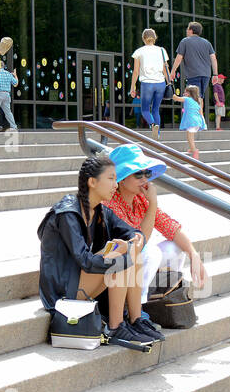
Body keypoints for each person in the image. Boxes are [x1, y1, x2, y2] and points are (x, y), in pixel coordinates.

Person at [36, 154, 156, 348]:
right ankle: (116, 327)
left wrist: (136, 238)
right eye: (110, 179)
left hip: (82, 282)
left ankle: (136, 320)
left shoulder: (100, 210)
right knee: (120, 255)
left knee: (130, 250)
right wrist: (124, 258)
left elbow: (128, 230)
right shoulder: (68, 213)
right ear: (92, 182)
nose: (115, 185)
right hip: (62, 292)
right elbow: (85, 261)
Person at [103, 143, 209, 297]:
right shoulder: (109, 203)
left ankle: (166, 296)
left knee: (175, 248)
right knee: (151, 253)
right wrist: (153, 204)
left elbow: (170, 227)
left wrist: (194, 255)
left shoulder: (140, 199)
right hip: (111, 268)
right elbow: (140, 242)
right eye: (138, 174)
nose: (144, 179)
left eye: (147, 173)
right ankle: (138, 307)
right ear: (122, 178)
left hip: (132, 263)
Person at [130, 28, 171, 139]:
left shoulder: (139, 51)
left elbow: (136, 71)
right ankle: (156, 134)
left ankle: (152, 125)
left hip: (147, 84)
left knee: (144, 110)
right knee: (155, 109)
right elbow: (165, 69)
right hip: (160, 84)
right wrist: (169, 83)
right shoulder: (161, 50)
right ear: (155, 37)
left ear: (143, 38)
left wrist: (132, 87)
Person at [168, 21, 218, 101]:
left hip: (193, 74)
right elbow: (213, 59)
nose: (186, 31)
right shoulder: (207, 43)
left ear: (191, 30)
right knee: (200, 97)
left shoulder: (185, 41)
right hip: (206, 75)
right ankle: (200, 113)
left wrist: (173, 71)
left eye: (187, 29)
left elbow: (179, 58)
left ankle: (196, 113)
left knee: (193, 98)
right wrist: (215, 74)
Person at [173, 84, 206, 160]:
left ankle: (194, 150)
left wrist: (172, 92)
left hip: (191, 121)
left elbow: (176, 98)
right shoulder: (197, 101)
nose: (184, 94)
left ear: (190, 93)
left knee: (189, 137)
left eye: (186, 92)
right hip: (197, 121)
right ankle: (192, 148)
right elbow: (201, 113)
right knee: (191, 135)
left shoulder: (187, 99)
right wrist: (203, 123)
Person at [0, 49, 19, 132]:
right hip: (6, 95)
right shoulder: (8, 74)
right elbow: (16, 84)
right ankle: (14, 126)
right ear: (3, 66)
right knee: (8, 112)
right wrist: (15, 75)